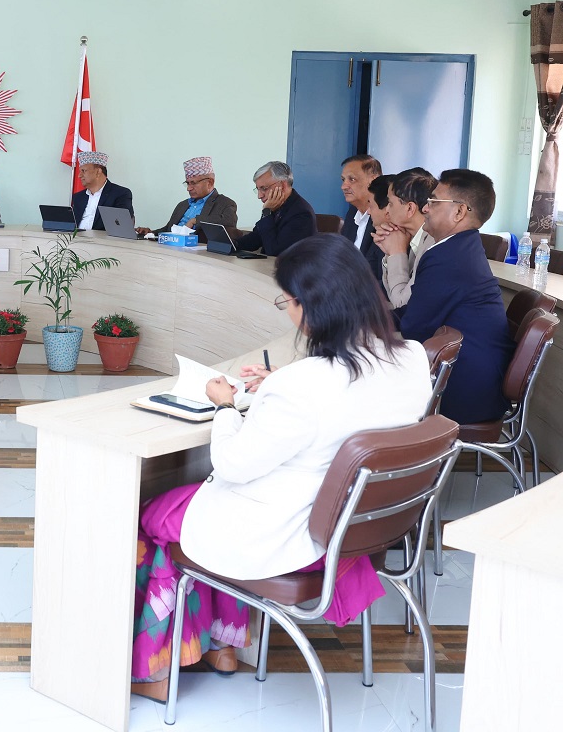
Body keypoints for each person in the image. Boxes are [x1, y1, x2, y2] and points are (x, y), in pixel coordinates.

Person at [129, 233, 431, 703]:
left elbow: (230, 464)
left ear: (313, 307)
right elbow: (348, 403)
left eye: (287, 301)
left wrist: (226, 406)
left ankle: (159, 668)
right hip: (359, 532)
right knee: (190, 513)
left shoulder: (303, 385)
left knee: (152, 517)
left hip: (290, 537)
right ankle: (225, 646)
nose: (288, 312)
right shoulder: (412, 358)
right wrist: (278, 386)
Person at [397, 168, 514, 425]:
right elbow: (415, 313)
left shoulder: (448, 257)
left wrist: (365, 324)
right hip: (472, 378)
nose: (424, 208)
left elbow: (413, 328)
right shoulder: (460, 248)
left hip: (463, 389)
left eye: (433, 201)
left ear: (459, 211)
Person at [374, 169, 437, 309]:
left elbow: (402, 304)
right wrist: (390, 252)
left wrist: (396, 253)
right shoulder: (413, 237)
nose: (386, 211)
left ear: (410, 209)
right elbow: (393, 296)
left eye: (390, 203)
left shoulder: (433, 244)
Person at [134, 157, 237, 239]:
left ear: (210, 182)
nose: (189, 188)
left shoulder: (225, 203)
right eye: (187, 183)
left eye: (193, 183)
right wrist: (150, 232)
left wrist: (195, 220)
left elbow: (229, 222)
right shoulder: (183, 205)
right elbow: (168, 229)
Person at [234, 161, 315, 256]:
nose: (259, 196)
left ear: (282, 185)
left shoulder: (302, 213)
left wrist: (266, 212)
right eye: (258, 189)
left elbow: (275, 252)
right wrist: (233, 245)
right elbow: (256, 239)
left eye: (264, 188)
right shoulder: (275, 206)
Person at [339, 155, 385, 281]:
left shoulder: (385, 217)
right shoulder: (352, 213)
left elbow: (380, 276)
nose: (344, 186)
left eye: (352, 179)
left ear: (373, 180)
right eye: (343, 180)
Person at [70, 151, 134, 231]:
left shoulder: (120, 194)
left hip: (102, 238)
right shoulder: (78, 197)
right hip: (75, 237)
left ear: (98, 172)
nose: (79, 176)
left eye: (83, 171)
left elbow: (122, 226)